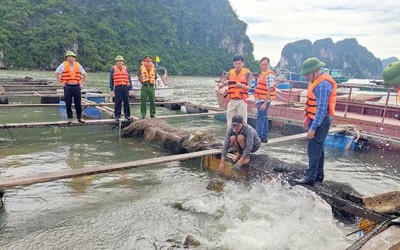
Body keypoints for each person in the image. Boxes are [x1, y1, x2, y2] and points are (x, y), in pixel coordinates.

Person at [293, 57, 337, 186]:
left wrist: (313, 128)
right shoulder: (316, 81)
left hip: (320, 120)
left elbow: (322, 109)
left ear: (315, 71)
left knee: (313, 149)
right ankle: (318, 175)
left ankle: (310, 177)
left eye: (308, 74)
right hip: (315, 119)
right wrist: (308, 120)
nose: (307, 76)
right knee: (318, 148)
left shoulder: (322, 85)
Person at [218, 54, 252, 127]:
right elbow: (223, 81)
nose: (237, 65)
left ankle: (242, 137)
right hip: (231, 100)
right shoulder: (230, 72)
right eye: (236, 64)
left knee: (243, 122)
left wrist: (241, 86)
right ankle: (230, 136)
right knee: (230, 122)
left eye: (239, 63)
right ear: (233, 63)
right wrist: (222, 84)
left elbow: (249, 88)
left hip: (241, 100)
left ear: (243, 63)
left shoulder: (247, 73)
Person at [54, 50, 87, 124]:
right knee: (68, 103)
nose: (71, 58)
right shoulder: (63, 65)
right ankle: (69, 117)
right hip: (67, 86)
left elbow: (85, 74)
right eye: (69, 57)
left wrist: (82, 83)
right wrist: (60, 82)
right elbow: (56, 73)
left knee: (78, 102)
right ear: (66, 58)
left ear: (74, 58)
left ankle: (80, 117)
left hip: (76, 86)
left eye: (72, 57)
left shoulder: (78, 65)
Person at [253, 57, 276, 143]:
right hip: (260, 99)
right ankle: (264, 137)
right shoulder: (263, 74)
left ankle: (257, 138)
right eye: (262, 65)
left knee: (260, 118)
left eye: (265, 64)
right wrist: (256, 101)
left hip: (264, 100)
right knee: (264, 118)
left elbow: (270, 89)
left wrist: (264, 103)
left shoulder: (269, 75)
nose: (263, 66)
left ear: (269, 64)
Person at [109, 55, 133, 121]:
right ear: (116, 62)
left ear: (123, 62)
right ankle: (117, 115)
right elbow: (111, 80)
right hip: (118, 87)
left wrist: (130, 89)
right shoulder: (113, 69)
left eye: (121, 61)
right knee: (118, 101)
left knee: (126, 101)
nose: (119, 62)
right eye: (118, 61)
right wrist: (111, 89)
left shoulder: (126, 69)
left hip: (125, 87)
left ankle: (127, 115)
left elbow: (129, 79)